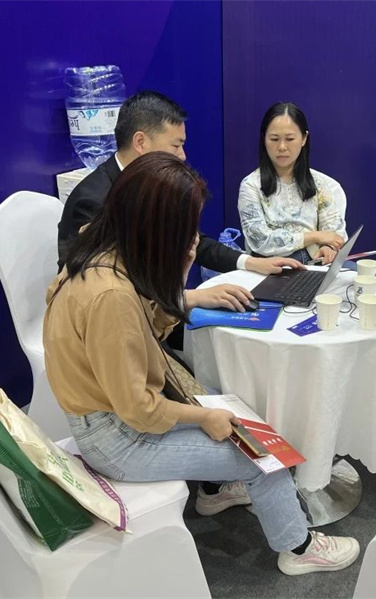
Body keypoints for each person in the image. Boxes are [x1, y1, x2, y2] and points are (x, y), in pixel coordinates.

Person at [43, 152, 360, 575]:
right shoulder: (110, 297)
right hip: (116, 438)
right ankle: (299, 548)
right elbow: (138, 409)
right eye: (186, 229)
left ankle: (213, 490)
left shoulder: (102, 248)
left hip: (111, 414)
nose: (192, 236)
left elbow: (147, 329)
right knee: (262, 455)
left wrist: (184, 266)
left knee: (232, 409)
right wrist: (204, 417)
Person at [58, 90, 303, 312]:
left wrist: (251, 262)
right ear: (141, 142)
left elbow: (192, 239)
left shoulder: (153, 186)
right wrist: (191, 297)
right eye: (176, 145)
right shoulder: (93, 201)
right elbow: (107, 293)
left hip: (159, 305)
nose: (182, 156)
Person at [238, 102, 348, 265]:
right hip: (271, 266)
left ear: (304, 139)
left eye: (290, 139)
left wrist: (328, 248)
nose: (282, 147)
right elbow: (259, 239)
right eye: (274, 139)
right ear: (264, 139)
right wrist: (315, 237)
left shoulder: (321, 183)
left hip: (314, 263)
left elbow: (334, 234)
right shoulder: (251, 185)